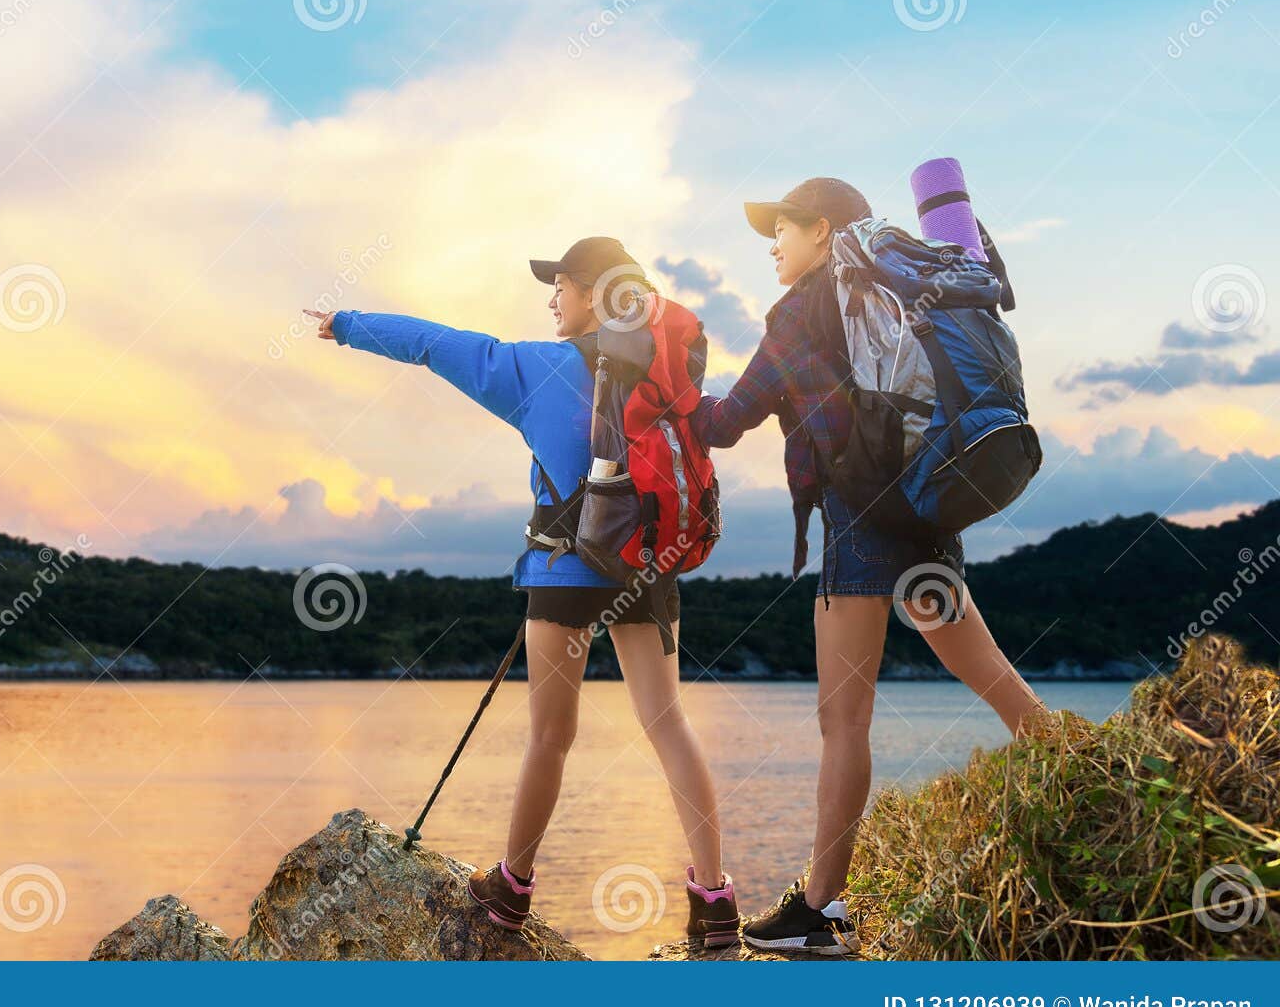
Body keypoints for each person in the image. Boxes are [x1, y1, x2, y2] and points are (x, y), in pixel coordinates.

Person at [306, 236, 740, 947]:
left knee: (549, 735)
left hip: (566, 569)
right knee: (669, 726)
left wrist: (347, 324)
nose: (552, 300)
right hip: (646, 569)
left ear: (596, 294)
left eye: (561, 286)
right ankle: (715, 905)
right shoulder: (667, 378)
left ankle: (511, 891)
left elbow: (435, 344)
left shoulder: (535, 368)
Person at [691, 179, 1048, 955]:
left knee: (842, 722)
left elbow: (725, 421)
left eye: (780, 230)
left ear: (821, 231)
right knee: (997, 683)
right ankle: (1090, 775)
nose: (772, 246)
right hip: (927, 503)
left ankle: (821, 910)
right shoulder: (892, 297)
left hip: (860, 523)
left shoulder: (799, 314)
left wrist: (659, 390)